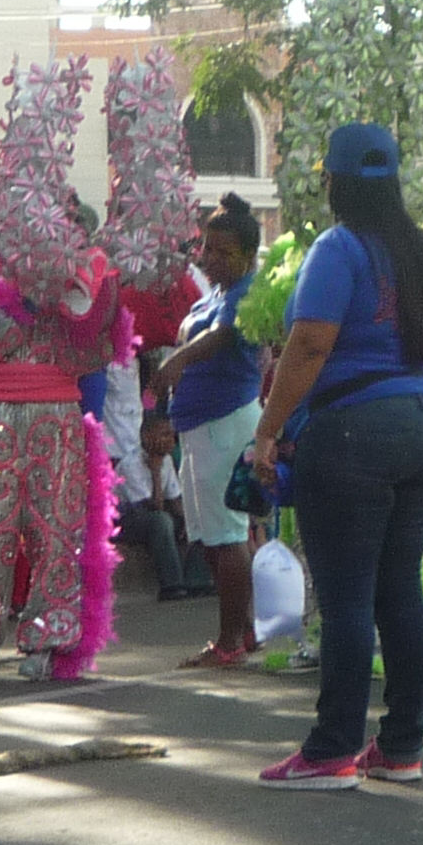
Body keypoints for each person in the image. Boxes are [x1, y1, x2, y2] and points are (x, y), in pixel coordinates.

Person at [0, 53, 185, 683]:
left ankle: (48, 640)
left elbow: (101, 351)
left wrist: (68, 296)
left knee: (56, 531)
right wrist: (7, 315)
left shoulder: (86, 274)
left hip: (58, 418)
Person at [248, 123, 423, 789]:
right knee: (401, 592)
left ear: (333, 180)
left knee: (345, 602)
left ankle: (332, 748)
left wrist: (269, 429)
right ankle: (400, 748)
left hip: (352, 432)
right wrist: (422, 411)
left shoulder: (338, 250)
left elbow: (309, 344)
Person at [154, 193, 264, 667]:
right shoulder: (217, 292)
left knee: (226, 534)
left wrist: (176, 360)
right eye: (207, 248)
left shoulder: (247, 294)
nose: (210, 258)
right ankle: (244, 631)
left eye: (223, 251)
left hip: (225, 423)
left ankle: (230, 641)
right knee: (211, 535)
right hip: (201, 427)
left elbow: (221, 337)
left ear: (248, 255)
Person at [114, 411, 212, 602]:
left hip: (151, 515)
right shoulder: (130, 464)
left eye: (171, 435)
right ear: (146, 436)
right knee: (161, 521)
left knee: (202, 519)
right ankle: (171, 585)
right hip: (127, 521)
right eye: (164, 435)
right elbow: (154, 506)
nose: (171, 441)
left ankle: (195, 581)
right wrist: (156, 472)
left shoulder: (165, 460)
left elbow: (173, 499)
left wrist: (189, 520)